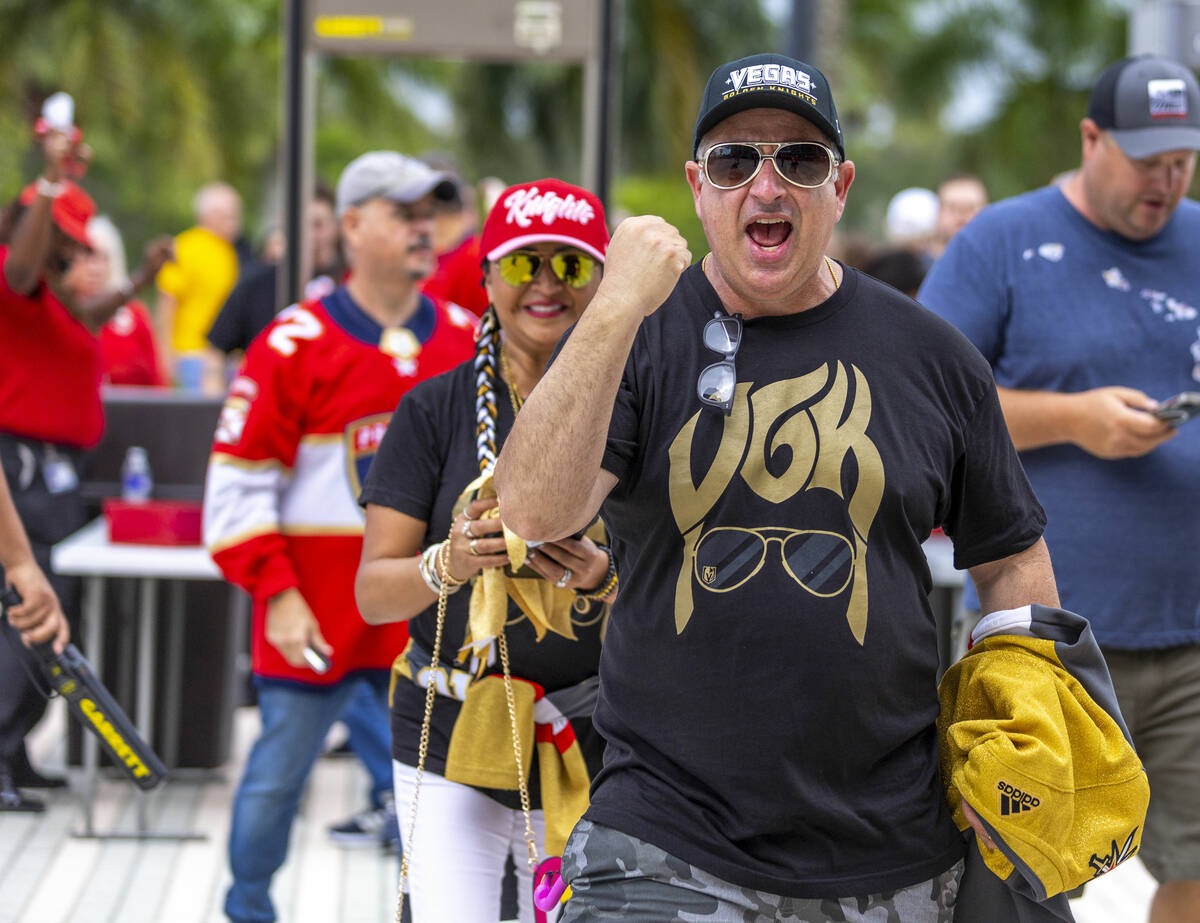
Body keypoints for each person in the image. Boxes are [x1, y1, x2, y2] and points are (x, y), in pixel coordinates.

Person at [493, 52, 1060, 921]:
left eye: (799, 160)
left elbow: (1012, 557)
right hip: (664, 837)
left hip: (896, 845)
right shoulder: (637, 337)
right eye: (734, 160)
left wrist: (1027, 726)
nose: (767, 185)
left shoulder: (934, 356)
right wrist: (611, 308)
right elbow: (532, 512)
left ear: (841, 186)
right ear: (696, 186)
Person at [918, 54, 1200, 923]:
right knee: (1017, 874)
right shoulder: (1002, 241)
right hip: (1044, 644)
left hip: (1190, 631)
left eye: (1183, 157)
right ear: (1090, 139)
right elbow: (919, 402)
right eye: (1147, 156)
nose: (1167, 177)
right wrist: (1072, 419)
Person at [202, 150, 478, 923]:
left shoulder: (466, 338)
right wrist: (278, 594)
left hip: (429, 630)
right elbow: (235, 487)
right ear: (352, 225)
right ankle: (246, 909)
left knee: (439, 801)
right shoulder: (292, 341)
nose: (424, 229)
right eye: (403, 213)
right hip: (314, 622)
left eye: (431, 214)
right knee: (274, 781)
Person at [355, 178, 614, 922]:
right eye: (522, 263)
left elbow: (671, 587)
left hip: (593, 734)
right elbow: (373, 592)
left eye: (567, 266)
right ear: (486, 277)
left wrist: (603, 577)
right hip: (447, 724)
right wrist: (453, 561)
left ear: (600, 281)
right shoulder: (434, 409)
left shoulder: (637, 404)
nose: (544, 284)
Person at [0, 130, 172, 810]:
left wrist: (142, 280)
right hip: (24, 470)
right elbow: (22, 263)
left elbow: (93, 313)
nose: (76, 250)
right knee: (26, 613)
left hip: (57, 473)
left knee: (50, 613)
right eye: (65, 238)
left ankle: (15, 749)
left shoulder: (51, 298)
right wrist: (47, 180)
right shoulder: (14, 281)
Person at [0, 449, 70, 811]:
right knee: (24, 622)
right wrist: (20, 563)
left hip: (49, 454)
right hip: (21, 455)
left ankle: (12, 753)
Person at [206, 182, 344, 359]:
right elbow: (215, 349)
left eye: (317, 224)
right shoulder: (255, 285)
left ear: (335, 226)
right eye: (300, 224)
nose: (308, 234)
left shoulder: (350, 283)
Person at [155, 181, 242, 390]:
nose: (234, 223)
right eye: (227, 216)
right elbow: (167, 302)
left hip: (222, 358)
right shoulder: (186, 247)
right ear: (207, 215)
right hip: (190, 355)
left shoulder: (229, 252)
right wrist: (165, 355)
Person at [63, 215, 167, 387]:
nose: (95, 268)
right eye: (88, 256)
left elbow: (157, 383)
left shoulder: (134, 316)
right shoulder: (59, 310)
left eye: (103, 258)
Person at [931, 173, 988, 258]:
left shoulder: (1001, 265)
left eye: (970, 208)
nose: (961, 216)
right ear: (938, 212)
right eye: (952, 207)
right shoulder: (913, 266)